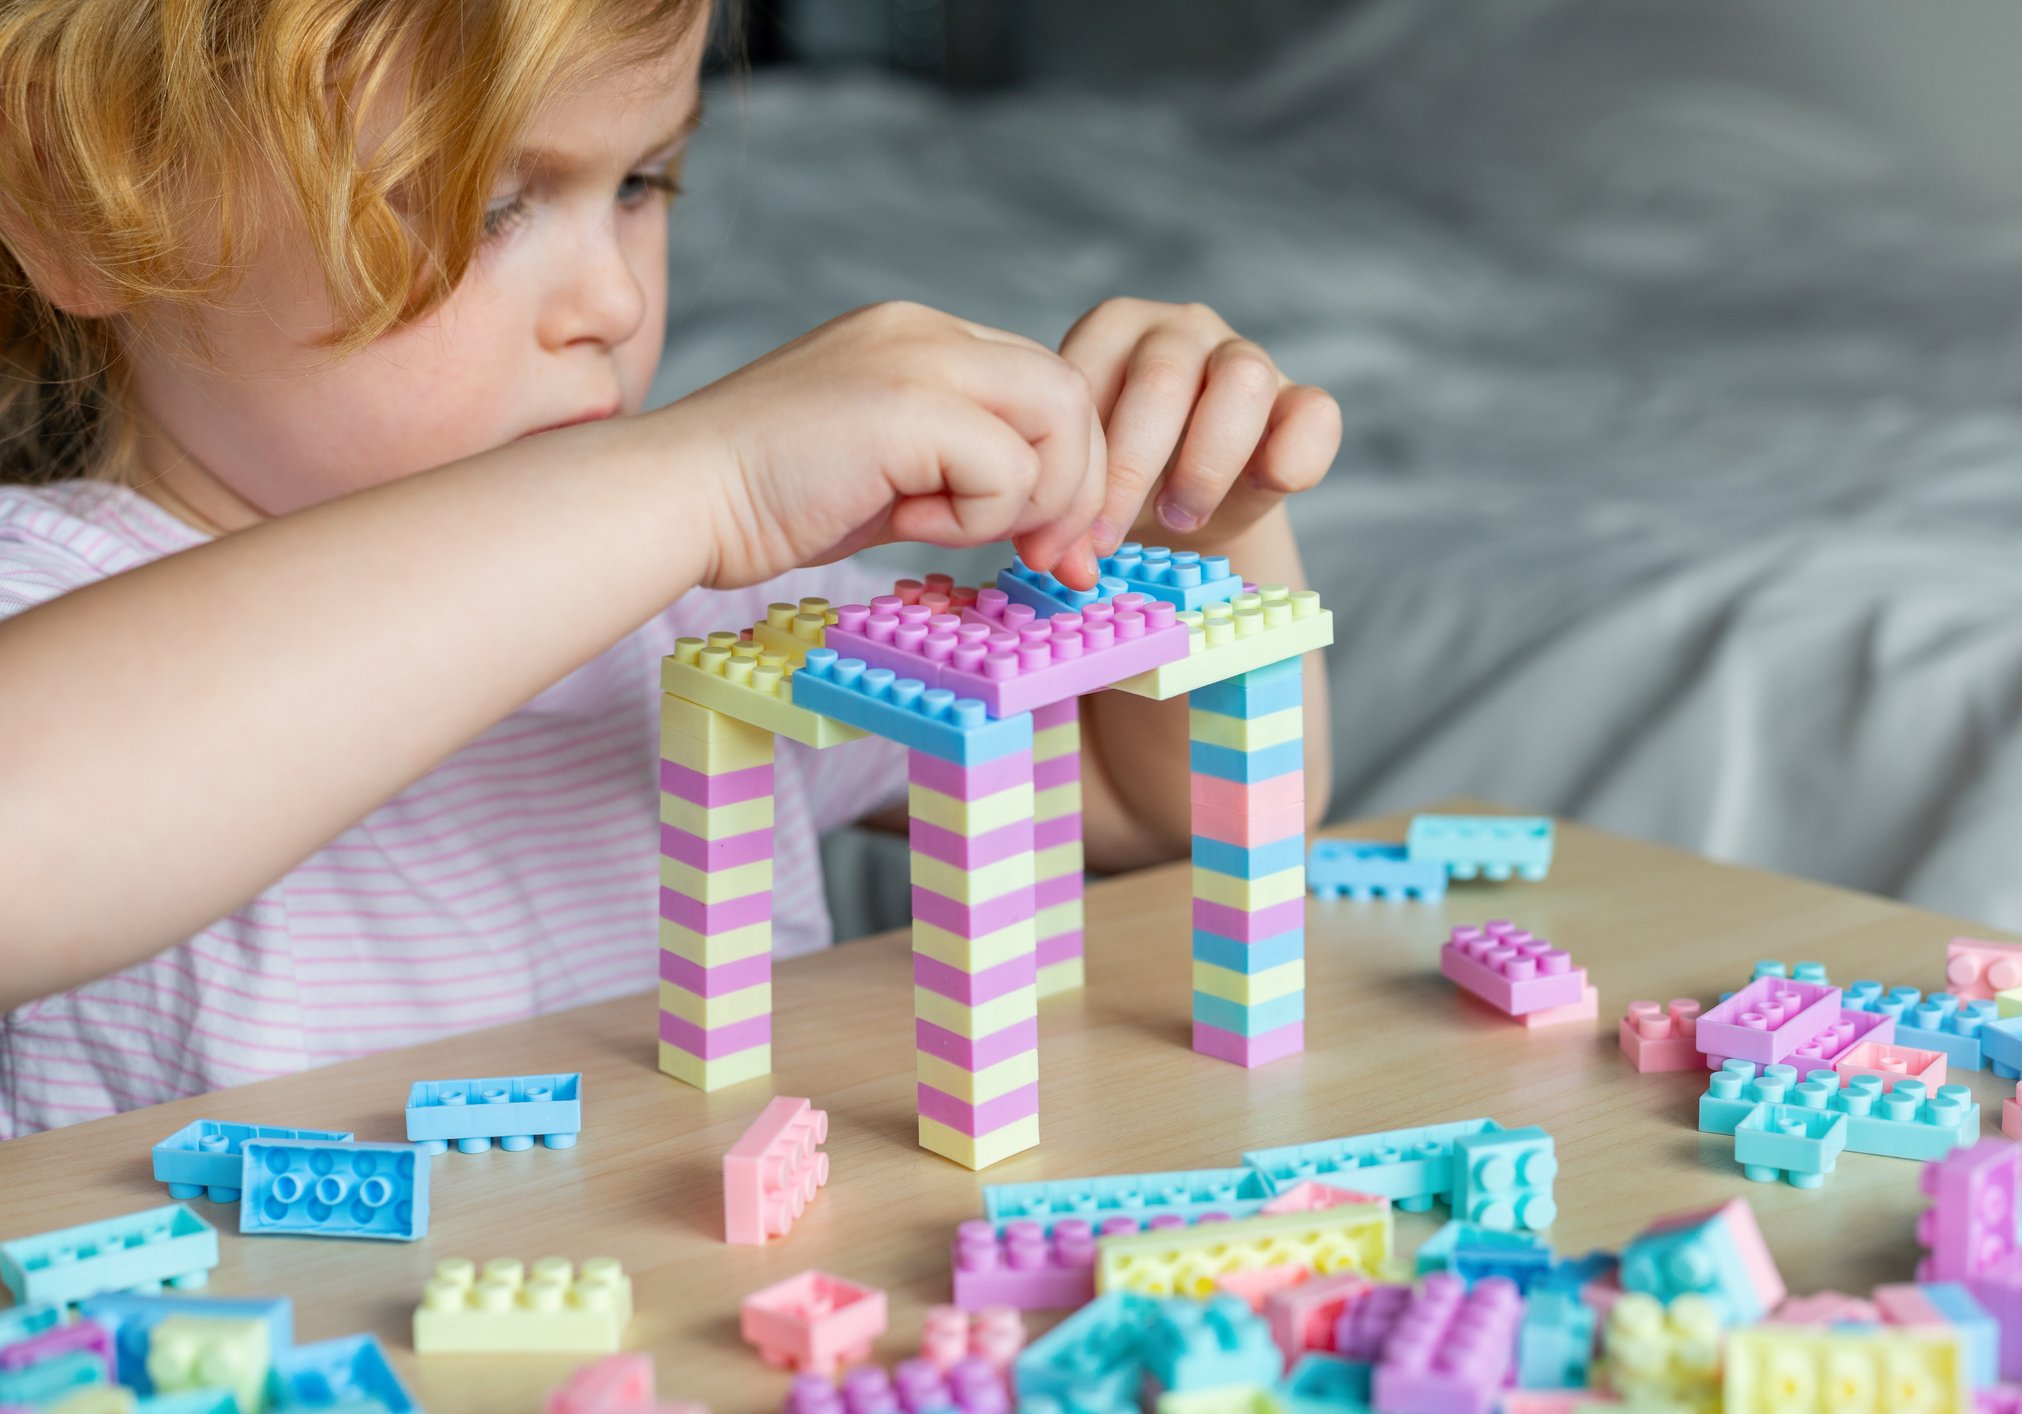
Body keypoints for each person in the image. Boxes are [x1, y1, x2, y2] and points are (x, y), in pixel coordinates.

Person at [0, 0, 1339, 1137]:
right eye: (485, 202)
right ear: (80, 195)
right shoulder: (57, 599)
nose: (618, 305)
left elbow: (1149, 807)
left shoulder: (693, 608)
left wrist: (1184, 529)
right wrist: (689, 477)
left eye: (639, 186)